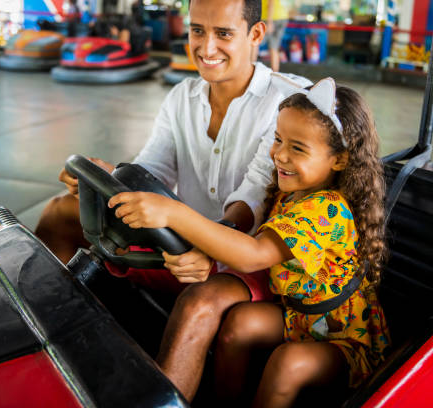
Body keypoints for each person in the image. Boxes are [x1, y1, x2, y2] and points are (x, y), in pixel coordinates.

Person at [34, 0, 311, 401]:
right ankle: (43, 344)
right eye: (197, 31)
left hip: (252, 257)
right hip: (182, 242)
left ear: (255, 35)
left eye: (223, 34)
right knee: (62, 211)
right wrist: (105, 177)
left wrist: (210, 250)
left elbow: (252, 199)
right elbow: (151, 170)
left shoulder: (286, 105)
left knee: (202, 302)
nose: (206, 47)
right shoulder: (183, 96)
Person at [107, 75, 391, 407]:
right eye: (278, 139)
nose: (280, 156)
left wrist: (174, 214)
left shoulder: (326, 210)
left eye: (297, 148)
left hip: (344, 337)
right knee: (240, 323)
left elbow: (253, 255)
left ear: (339, 159)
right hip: (298, 317)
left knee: (288, 362)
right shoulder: (295, 193)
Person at [260, 0, 289, 72]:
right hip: (280, 16)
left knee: (254, 45)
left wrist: (269, 21)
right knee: (274, 48)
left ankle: (251, 73)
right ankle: (275, 75)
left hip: (270, 18)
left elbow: (271, 2)